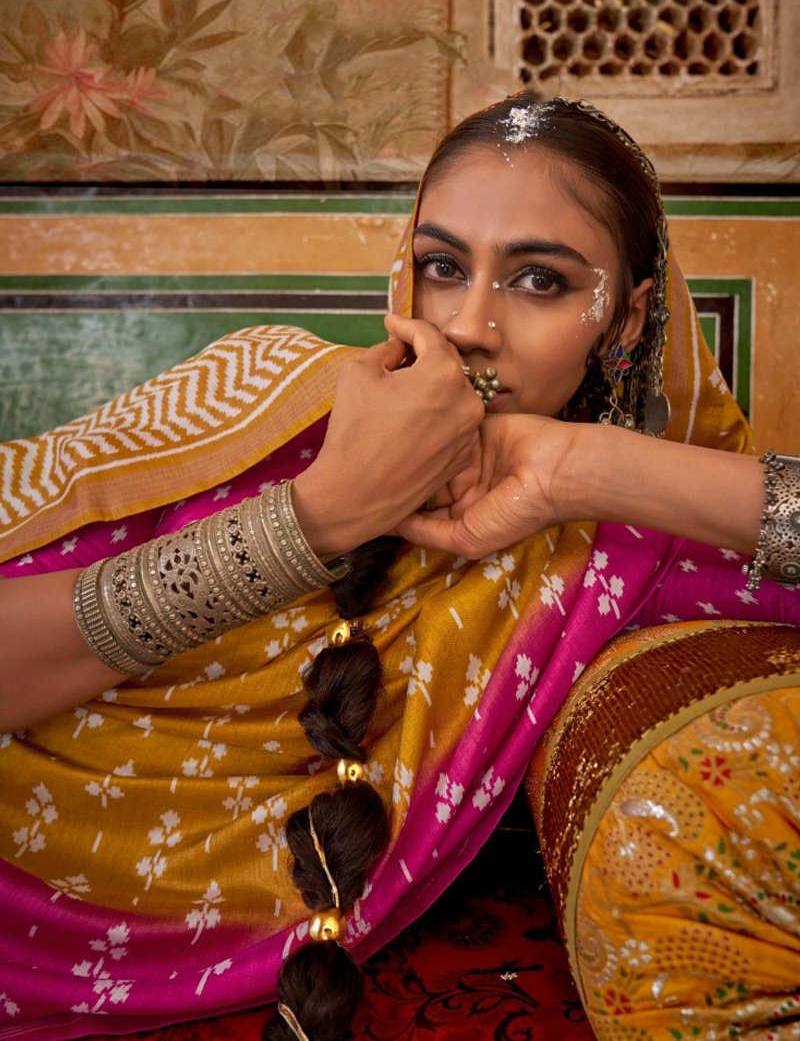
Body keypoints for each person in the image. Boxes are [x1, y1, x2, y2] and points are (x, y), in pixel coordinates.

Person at [0, 94, 797, 1040]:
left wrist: (586, 468)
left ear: (622, 323)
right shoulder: (260, 390)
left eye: (538, 280)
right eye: (443, 268)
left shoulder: (609, 544)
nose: (468, 324)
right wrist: (320, 517)